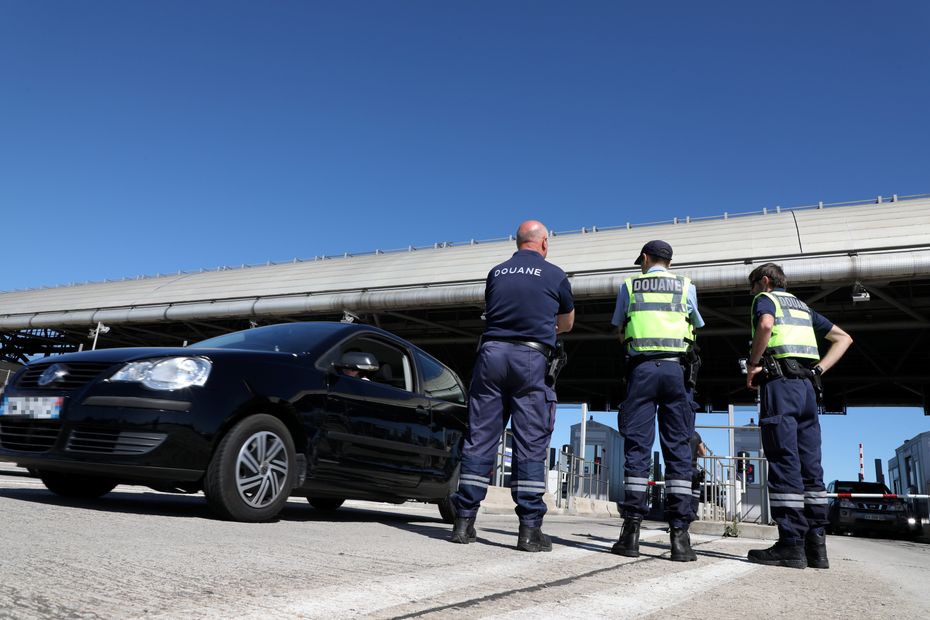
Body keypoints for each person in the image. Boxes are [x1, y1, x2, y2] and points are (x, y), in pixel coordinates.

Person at [449, 220, 574, 552]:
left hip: (490, 356)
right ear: (543, 242)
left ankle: (463, 522)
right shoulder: (555, 275)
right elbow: (567, 322)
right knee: (531, 441)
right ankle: (529, 530)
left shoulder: (496, 273)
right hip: (530, 359)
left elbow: (494, 312)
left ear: (517, 242)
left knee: (480, 438)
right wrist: (546, 329)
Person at [744, 263, 852, 569]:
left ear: (764, 281)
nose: (751, 293)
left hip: (780, 386)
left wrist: (753, 363)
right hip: (808, 388)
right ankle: (816, 547)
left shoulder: (766, 299)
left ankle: (790, 544)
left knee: (783, 459)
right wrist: (819, 370)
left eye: (753, 286)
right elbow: (844, 338)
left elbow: (765, 325)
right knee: (810, 465)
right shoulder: (803, 308)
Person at [609, 240, 704, 561]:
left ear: (646, 258)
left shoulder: (630, 285)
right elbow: (697, 325)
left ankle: (631, 534)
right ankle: (680, 539)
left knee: (637, 448)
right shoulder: (686, 286)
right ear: (671, 262)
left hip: (642, 370)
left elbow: (619, 331)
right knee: (678, 448)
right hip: (678, 372)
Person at [690, 431, 706, 518]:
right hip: (692, 467)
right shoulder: (696, 435)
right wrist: (695, 454)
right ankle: (692, 513)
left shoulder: (678, 432)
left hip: (679, 468)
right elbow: (703, 453)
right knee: (695, 489)